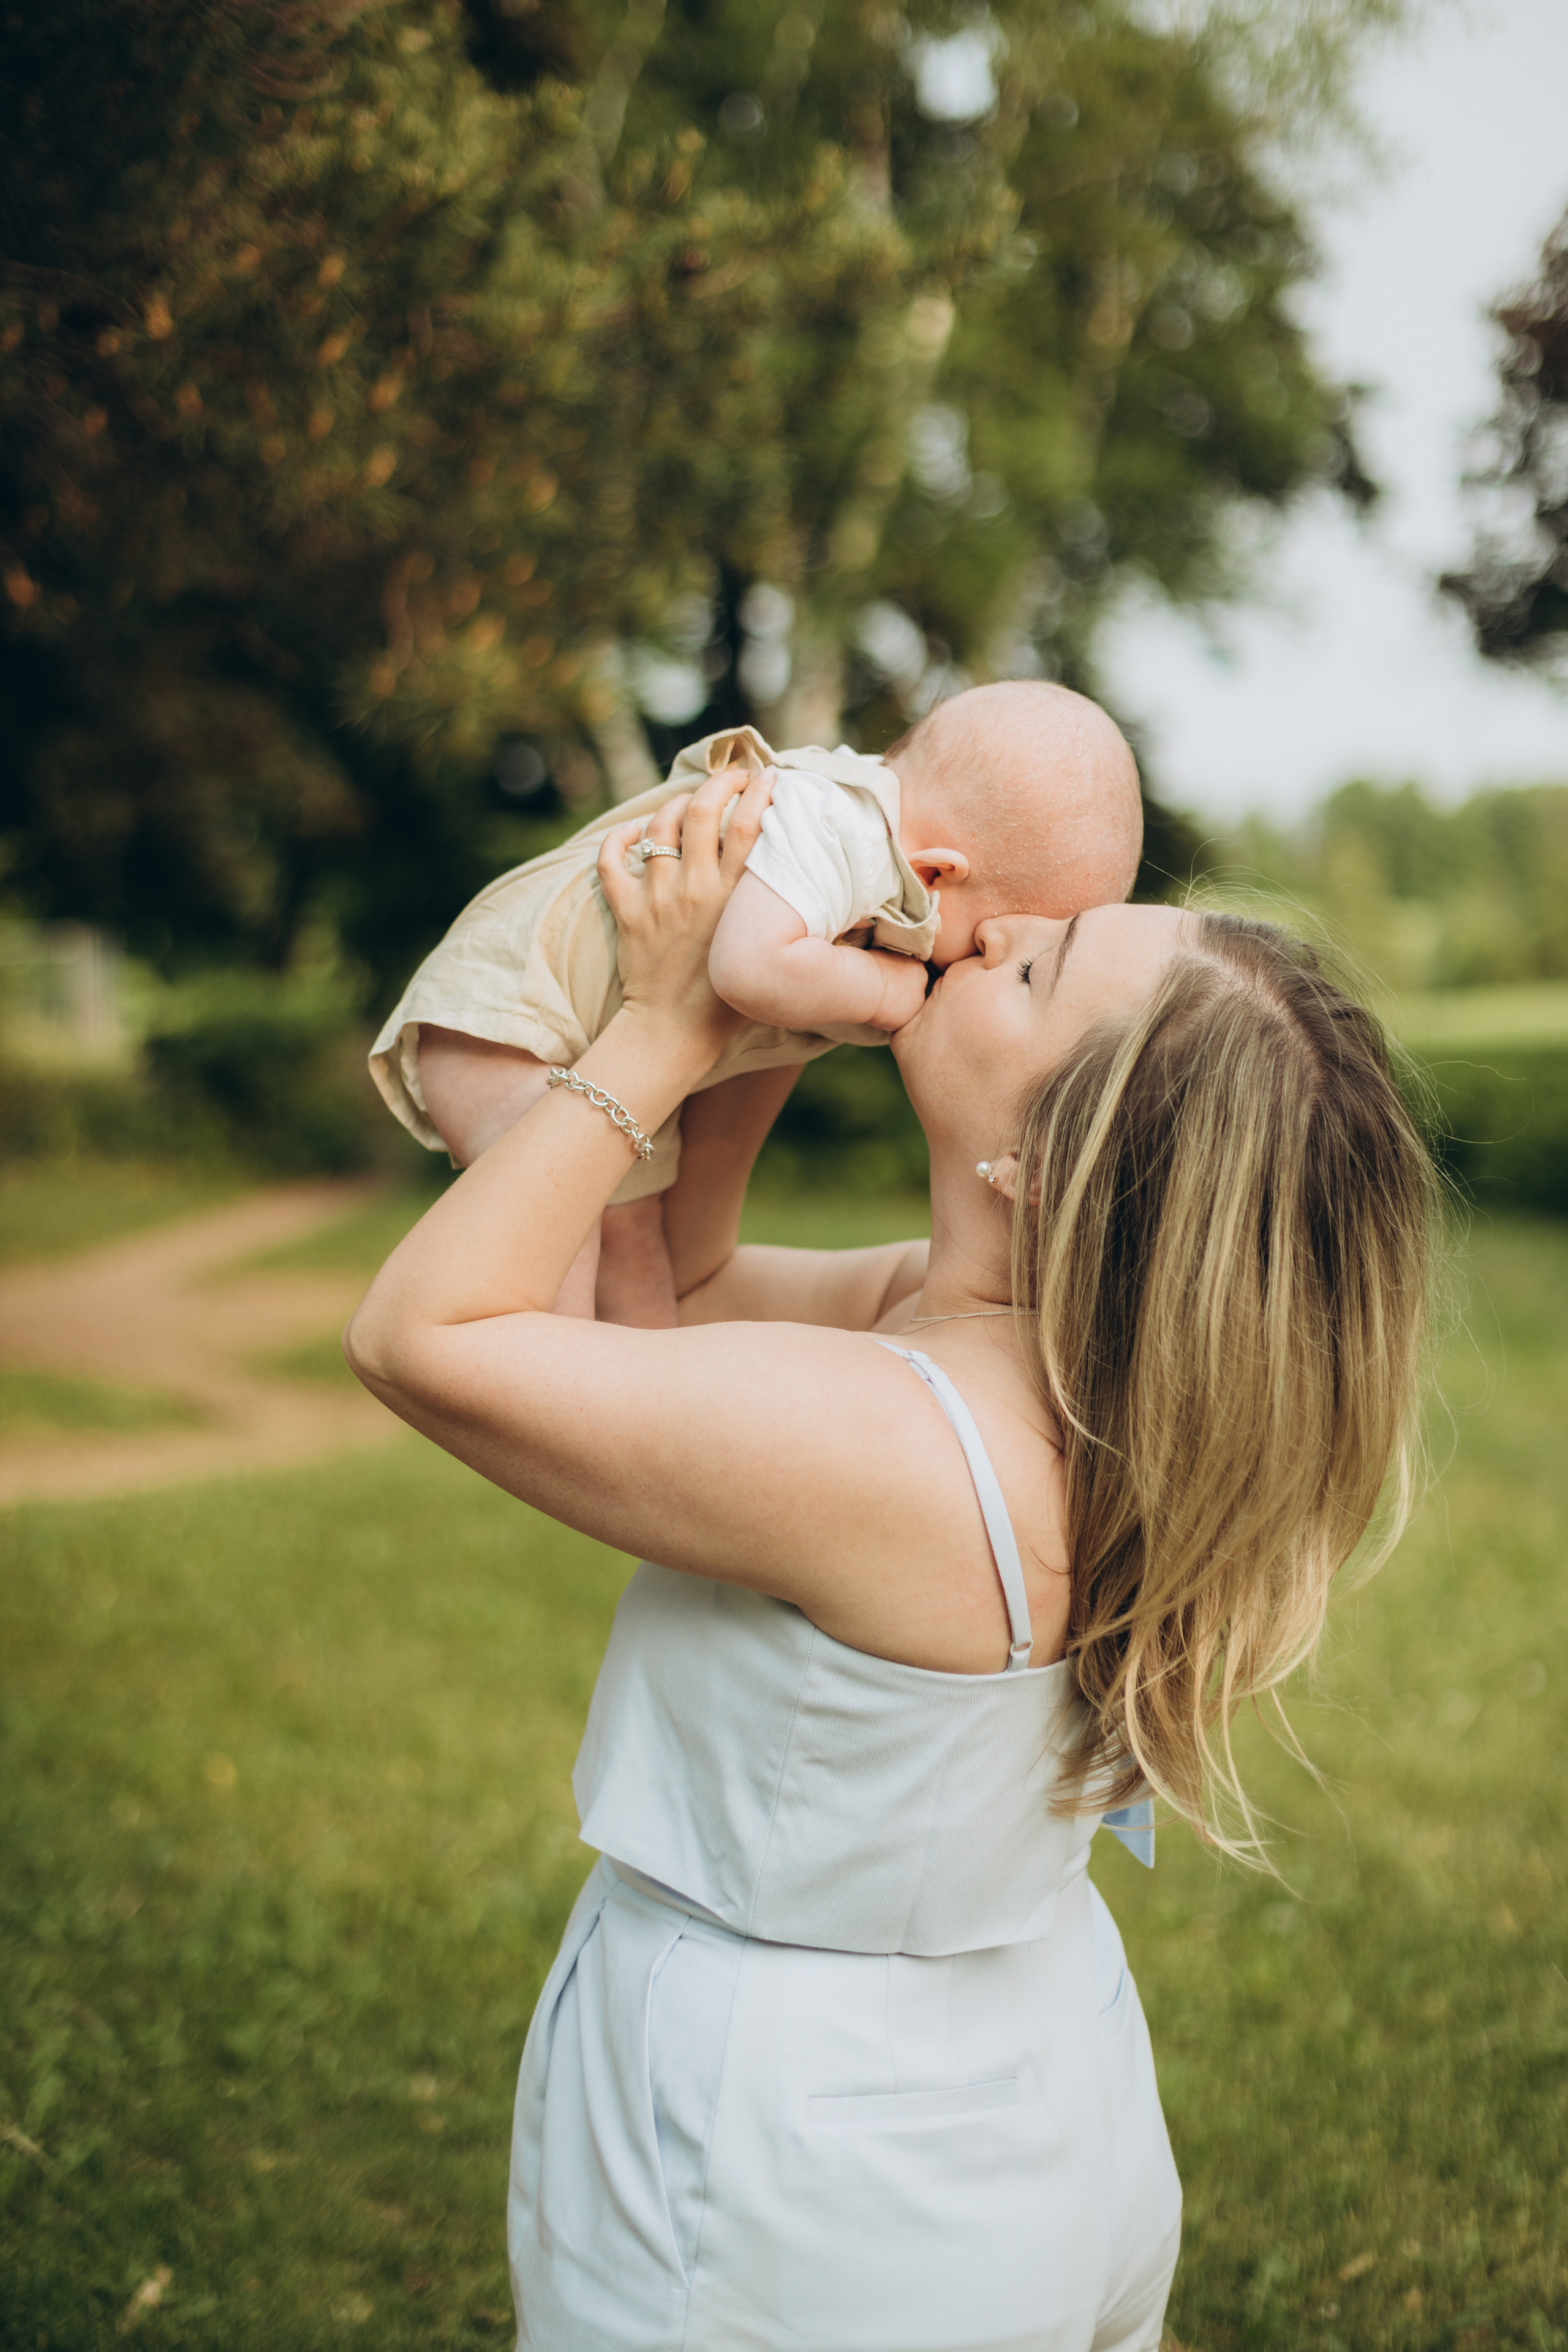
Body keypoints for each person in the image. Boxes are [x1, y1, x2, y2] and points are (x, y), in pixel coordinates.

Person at [345, 761, 1436, 2352]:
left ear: (1047, 1167)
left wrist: (661, 1026)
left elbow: (423, 1335)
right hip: (1016, 2084)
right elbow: (687, 1288)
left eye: (1039, 964)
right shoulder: (1026, 1357)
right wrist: (762, 979)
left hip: (799, 2168)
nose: (987, 937)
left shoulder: (896, 1451)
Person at [368, 682, 1143, 1327]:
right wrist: (880, 990)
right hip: (510, 1012)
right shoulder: (838, 829)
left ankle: (644, 1413)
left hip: (579, 1036)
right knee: (563, 1247)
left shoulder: (866, 861)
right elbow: (746, 967)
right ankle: (544, 1388)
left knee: (635, 1241)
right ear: (936, 874)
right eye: (982, 944)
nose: (973, 966)